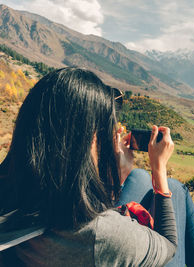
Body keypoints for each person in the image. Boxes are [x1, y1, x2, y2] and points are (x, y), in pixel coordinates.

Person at [0, 68, 177, 266]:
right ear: (86, 144)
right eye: (104, 132)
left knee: (138, 177)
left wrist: (109, 177)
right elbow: (169, 246)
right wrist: (159, 169)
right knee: (174, 188)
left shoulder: (16, 191)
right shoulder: (102, 235)